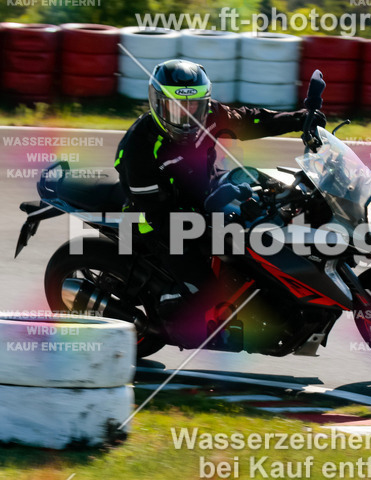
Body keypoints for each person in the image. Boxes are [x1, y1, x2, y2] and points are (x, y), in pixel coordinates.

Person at [114, 58, 324, 308]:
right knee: (208, 293)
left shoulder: (211, 114)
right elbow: (158, 212)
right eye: (177, 107)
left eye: (194, 105)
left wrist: (300, 119)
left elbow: (249, 120)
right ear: (158, 104)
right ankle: (172, 304)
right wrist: (210, 209)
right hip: (153, 219)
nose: (187, 114)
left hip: (204, 191)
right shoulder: (138, 148)